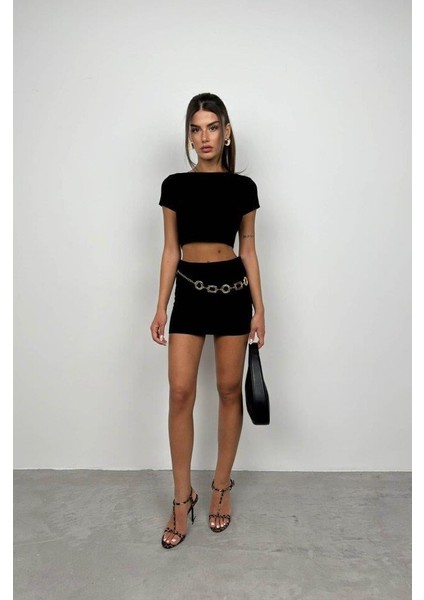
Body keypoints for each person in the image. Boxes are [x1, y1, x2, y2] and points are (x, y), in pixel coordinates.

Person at [150, 92, 265, 549]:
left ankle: (220, 486)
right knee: (180, 392)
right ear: (189, 136)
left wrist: (260, 308)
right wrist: (161, 306)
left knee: (228, 390)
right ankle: (182, 498)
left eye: (212, 127)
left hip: (233, 292)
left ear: (226, 131)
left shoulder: (244, 188)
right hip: (191, 293)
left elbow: (248, 248)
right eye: (196, 129)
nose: (205, 137)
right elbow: (170, 250)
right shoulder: (174, 185)